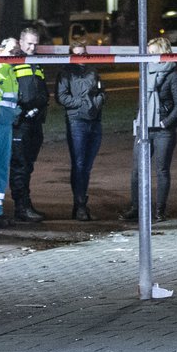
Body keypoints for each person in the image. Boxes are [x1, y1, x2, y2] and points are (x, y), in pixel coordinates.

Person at [120, 37, 177, 223]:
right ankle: (136, 207)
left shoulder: (174, 75)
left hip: (163, 130)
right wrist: (139, 120)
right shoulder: (145, 71)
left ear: (164, 52)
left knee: (161, 169)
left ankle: (160, 210)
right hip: (144, 127)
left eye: (154, 53)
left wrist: (166, 122)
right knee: (137, 170)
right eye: (148, 53)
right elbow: (141, 101)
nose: (150, 57)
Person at [56, 40, 106, 220]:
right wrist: (82, 103)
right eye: (77, 54)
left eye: (83, 53)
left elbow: (102, 92)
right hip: (76, 121)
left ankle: (81, 203)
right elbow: (61, 96)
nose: (81, 57)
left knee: (87, 166)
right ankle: (80, 205)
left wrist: (97, 102)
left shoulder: (93, 71)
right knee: (78, 164)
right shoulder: (65, 73)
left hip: (95, 121)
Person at [9, 25, 49, 222]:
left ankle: (26, 204)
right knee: (20, 165)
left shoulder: (36, 63)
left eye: (36, 44)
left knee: (28, 165)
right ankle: (21, 207)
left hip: (35, 122)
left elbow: (41, 92)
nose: (33, 47)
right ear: (21, 41)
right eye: (29, 43)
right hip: (20, 122)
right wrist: (22, 111)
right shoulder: (13, 62)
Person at [0, 37, 21, 227]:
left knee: (1, 168)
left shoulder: (9, 70)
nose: (14, 55)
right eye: (11, 51)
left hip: (6, 124)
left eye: (16, 52)